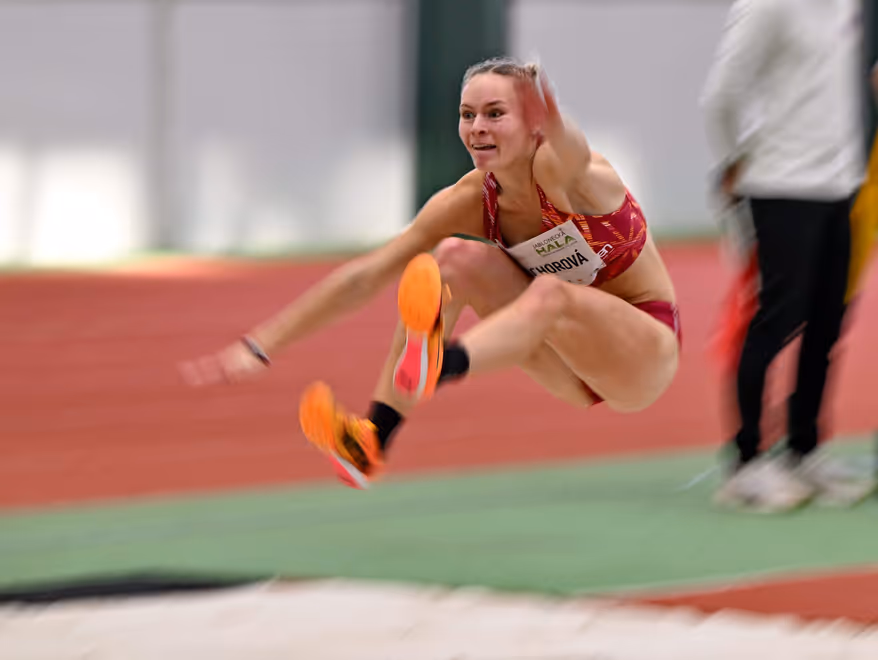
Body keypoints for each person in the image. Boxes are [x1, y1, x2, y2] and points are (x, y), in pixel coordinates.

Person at [183, 57, 682, 489]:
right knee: (452, 259)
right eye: (467, 115)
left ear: (533, 124)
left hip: (640, 354)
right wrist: (260, 343)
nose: (477, 128)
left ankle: (440, 365)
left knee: (551, 293)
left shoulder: (569, 172)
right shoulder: (470, 200)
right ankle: (370, 442)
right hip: (564, 364)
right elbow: (366, 276)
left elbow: (570, 149)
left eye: (495, 114)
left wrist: (554, 117)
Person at [702, 0, 875, 512]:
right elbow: (721, 93)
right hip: (781, 185)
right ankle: (747, 463)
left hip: (841, 186)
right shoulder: (766, 5)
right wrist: (733, 160)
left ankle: (805, 450)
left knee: (828, 323)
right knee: (775, 321)